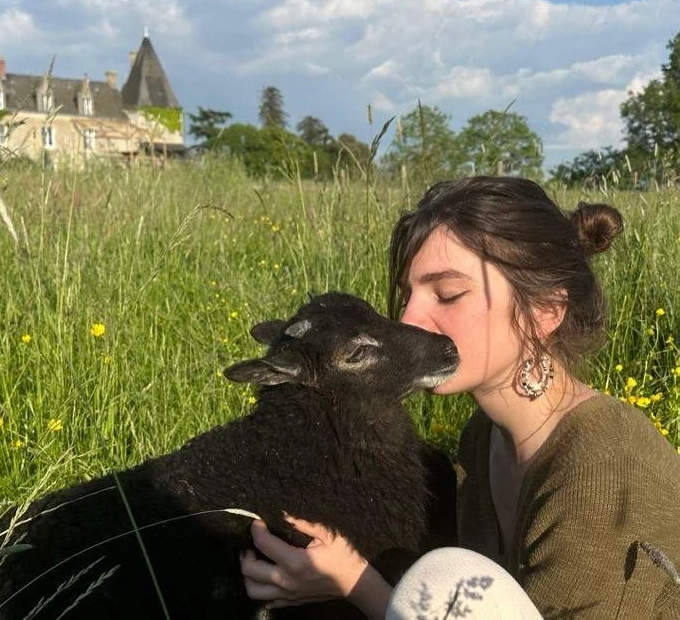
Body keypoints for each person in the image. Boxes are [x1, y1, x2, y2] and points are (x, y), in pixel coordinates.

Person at [240, 176, 680, 619]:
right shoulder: (483, 438)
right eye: (408, 295)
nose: (410, 319)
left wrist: (357, 583)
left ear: (546, 310)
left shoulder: (602, 466)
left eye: (448, 294)